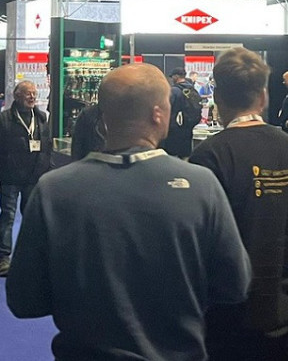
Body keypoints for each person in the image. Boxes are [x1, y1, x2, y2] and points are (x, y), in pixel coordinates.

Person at [6, 63, 252, 361]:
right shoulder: (202, 186)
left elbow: (24, 300)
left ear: (103, 115)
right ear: (158, 113)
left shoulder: (53, 190)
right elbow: (234, 285)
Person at [190, 49, 288, 361]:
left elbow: (198, 244)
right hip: (282, 314)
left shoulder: (208, 156)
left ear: (217, 97)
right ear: (263, 95)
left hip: (225, 322)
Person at [0, 81, 52, 276]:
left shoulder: (41, 118)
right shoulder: (4, 119)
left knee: (31, 218)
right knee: (8, 217)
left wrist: (47, 170)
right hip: (10, 177)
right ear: (17, 96)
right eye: (28, 93)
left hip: (34, 176)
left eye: (34, 93)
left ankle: (29, 257)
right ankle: (3, 257)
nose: (32, 97)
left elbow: (46, 147)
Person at [163, 67, 203, 158]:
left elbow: (167, 107)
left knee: (172, 156)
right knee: (185, 156)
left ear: (176, 76)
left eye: (172, 77)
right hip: (188, 127)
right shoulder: (192, 89)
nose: (172, 79)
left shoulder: (174, 91)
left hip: (174, 130)